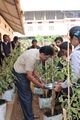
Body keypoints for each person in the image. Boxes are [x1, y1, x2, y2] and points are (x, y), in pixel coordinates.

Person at [12, 45, 54, 120]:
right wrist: (42, 86)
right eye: (46, 57)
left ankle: (29, 115)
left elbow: (33, 70)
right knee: (26, 96)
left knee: (28, 95)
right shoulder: (31, 57)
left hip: (25, 71)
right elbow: (29, 76)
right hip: (19, 73)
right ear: (42, 54)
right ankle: (29, 118)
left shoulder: (38, 54)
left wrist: (41, 79)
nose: (46, 59)